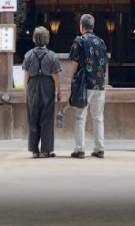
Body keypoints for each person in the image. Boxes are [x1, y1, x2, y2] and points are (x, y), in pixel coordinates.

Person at [68, 12, 108, 158]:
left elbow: (74, 62)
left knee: (80, 117)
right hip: (99, 84)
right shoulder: (101, 41)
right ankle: (99, 148)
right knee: (98, 117)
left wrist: (70, 79)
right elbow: (105, 64)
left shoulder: (79, 41)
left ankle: (79, 149)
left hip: (84, 85)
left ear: (81, 26)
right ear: (93, 26)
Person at [22, 25, 62, 158]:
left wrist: (25, 91)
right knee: (47, 117)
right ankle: (46, 150)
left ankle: (34, 150)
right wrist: (58, 91)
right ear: (47, 38)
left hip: (33, 85)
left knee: (33, 117)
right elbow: (56, 75)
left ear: (34, 38)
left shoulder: (28, 55)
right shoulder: (52, 56)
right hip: (47, 85)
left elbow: (26, 75)